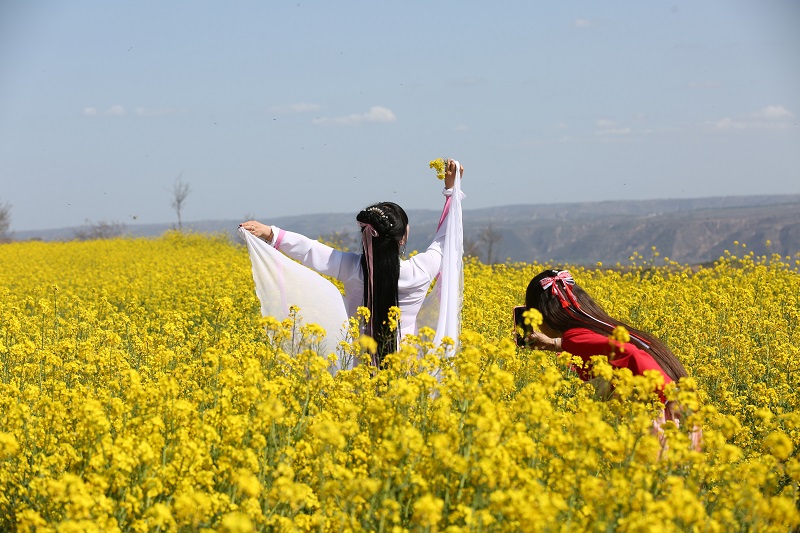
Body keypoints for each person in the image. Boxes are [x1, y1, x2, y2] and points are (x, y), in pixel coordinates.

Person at [240, 159, 464, 368]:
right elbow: (446, 238)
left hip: (359, 365)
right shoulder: (421, 270)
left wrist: (270, 233)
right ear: (403, 238)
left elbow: (310, 250)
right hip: (407, 366)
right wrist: (452, 191)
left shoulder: (352, 269)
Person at [520, 269, 701, 450]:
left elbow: (631, 355)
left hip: (657, 427)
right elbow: (602, 346)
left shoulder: (573, 338)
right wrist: (555, 344)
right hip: (681, 420)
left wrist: (664, 394)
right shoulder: (596, 326)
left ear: (543, 313)